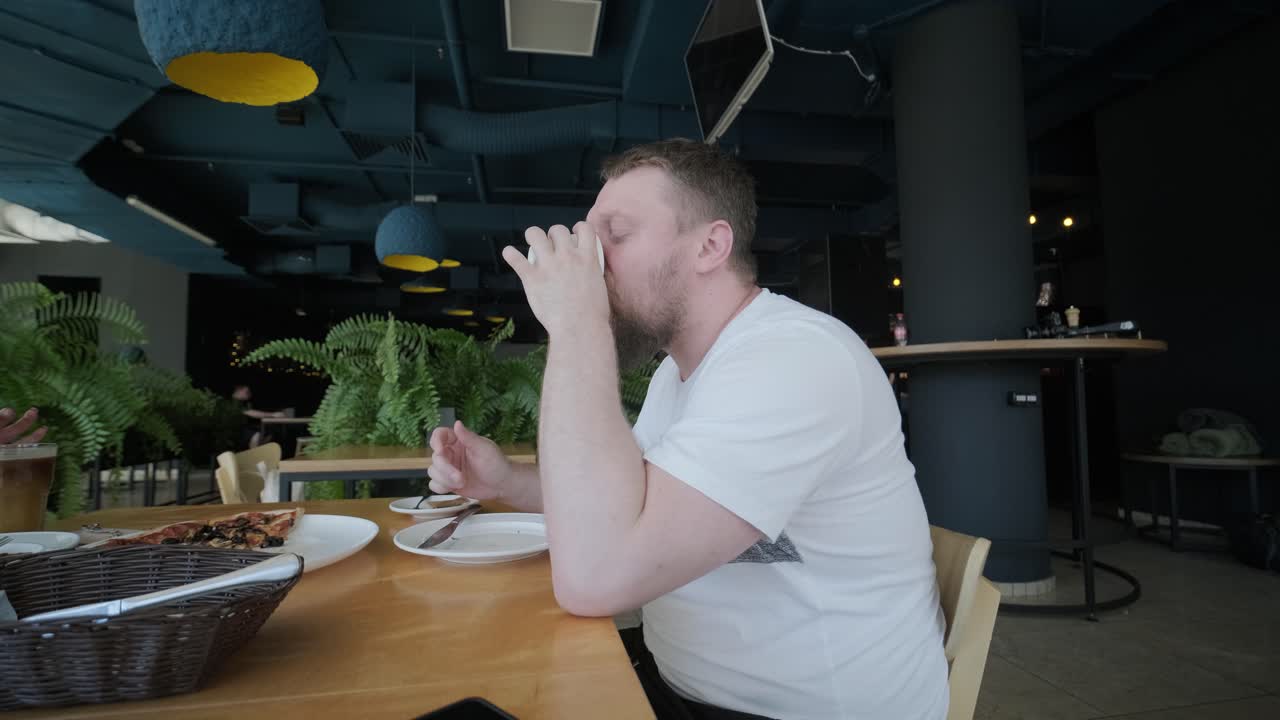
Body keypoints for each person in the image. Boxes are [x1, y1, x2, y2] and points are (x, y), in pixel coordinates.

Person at [427, 139, 948, 719]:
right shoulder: (674, 378)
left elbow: (594, 579)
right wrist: (506, 482)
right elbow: (631, 505)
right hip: (679, 687)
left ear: (709, 246)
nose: (591, 262)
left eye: (614, 238)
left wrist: (578, 324)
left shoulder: (793, 360)